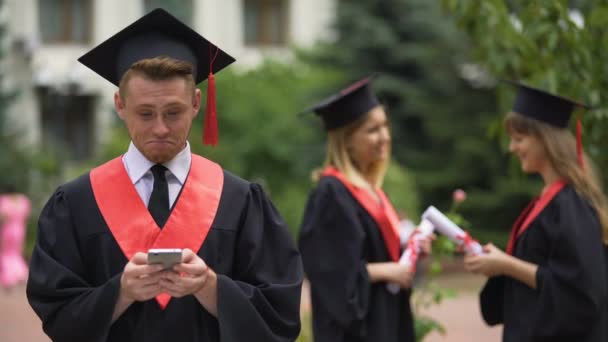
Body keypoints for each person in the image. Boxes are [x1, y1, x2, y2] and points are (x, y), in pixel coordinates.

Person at [26, 8, 303, 342]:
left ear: (197, 102)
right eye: (145, 113)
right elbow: (57, 313)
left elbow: (281, 311)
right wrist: (121, 292)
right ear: (119, 104)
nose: (160, 128)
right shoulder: (76, 202)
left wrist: (213, 289)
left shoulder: (240, 201)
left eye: (173, 112)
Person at [463, 82, 608, 341]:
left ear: (546, 139)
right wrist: (498, 264)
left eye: (519, 139)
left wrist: (506, 265)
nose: (512, 148)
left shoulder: (571, 204)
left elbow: (581, 291)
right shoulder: (547, 200)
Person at [298, 75, 433, 342]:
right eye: (372, 130)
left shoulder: (373, 191)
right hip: (356, 332)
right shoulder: (331, 194)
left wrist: (411, 251)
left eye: (385, 126)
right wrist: (384, 271)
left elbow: (374, 254)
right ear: (347, 140)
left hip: (385, 322)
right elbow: (329, 273)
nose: (384, 137)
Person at [0, 183, 30, 289]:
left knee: (6, 253)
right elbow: (26, 216)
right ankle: (21, 274)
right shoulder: (23, 200)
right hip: (20, 230)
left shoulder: (4, 200)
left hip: (8, 230)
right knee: (16, 253)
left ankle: (9, 278)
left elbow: (3, 217)